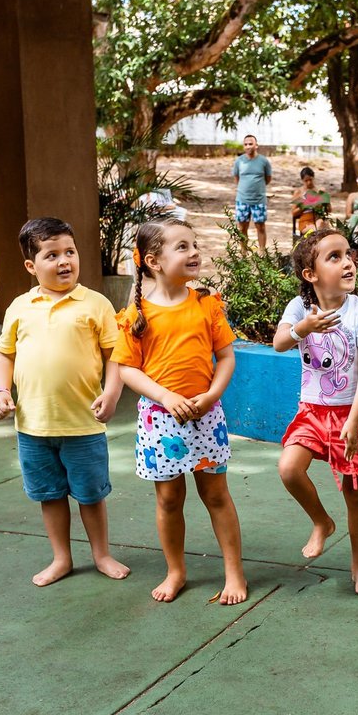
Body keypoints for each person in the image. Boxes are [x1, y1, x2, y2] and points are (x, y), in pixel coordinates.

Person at [114, 219, 248, 605]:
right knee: (169, 499)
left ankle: (234, 572)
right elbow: (127, 368)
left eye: (195, 245)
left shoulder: (206, 303)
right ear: (153, 261)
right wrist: (165, 397)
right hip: (160, 420)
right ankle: (176, 570)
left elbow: (225, 357)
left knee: (216, 495)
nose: (194, 253)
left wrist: (211, 395)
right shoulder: (137, 314)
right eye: (183, 247)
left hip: (207, 415)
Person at [0, 217, 128, 587]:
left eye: (70, 251)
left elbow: (116, 353)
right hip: (33, 424)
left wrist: (112, 392)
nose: (65, 260)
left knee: (90, 494)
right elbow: (5, 355)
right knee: (49, 494)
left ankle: (101, 554)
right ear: (31, 266)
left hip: (82, 421)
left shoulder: (95, 304)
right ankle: (61, 558)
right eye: (52, 255)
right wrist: (1, 390)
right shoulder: (20, 307)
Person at [274, 228, 358, 594]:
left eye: (348, 254)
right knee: (289, 469)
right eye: (334, 257)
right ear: (311, 274)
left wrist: (353, 422)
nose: (348, 262)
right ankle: (322, 522)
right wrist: (303, 328)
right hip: (313, 411)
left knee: (356, 495)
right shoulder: (298, 308)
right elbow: (278, 344)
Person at [232, 135, 272, 253]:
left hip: (259, 200)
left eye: (251, 143)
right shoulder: (239, 161)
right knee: (242, 227)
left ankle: (262, 252)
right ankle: (243, 252)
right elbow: (237, 178)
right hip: (242, 200)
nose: (248, 146)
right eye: (246, 144)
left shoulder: (264, 161)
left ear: (256, 145)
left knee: (260, 226)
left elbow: (268, 178)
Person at [291, 167, 332, 234]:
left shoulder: (320, 191)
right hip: (305, 221)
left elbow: (329, 210)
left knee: (322, 227)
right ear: (302, 180)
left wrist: (326, 201)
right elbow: (293, 213)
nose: (309, 182)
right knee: (314, 230)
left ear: (313, 178)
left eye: (310, 180)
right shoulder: (299, 192)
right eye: (306, 181)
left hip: (318, 218)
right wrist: (304, 205)